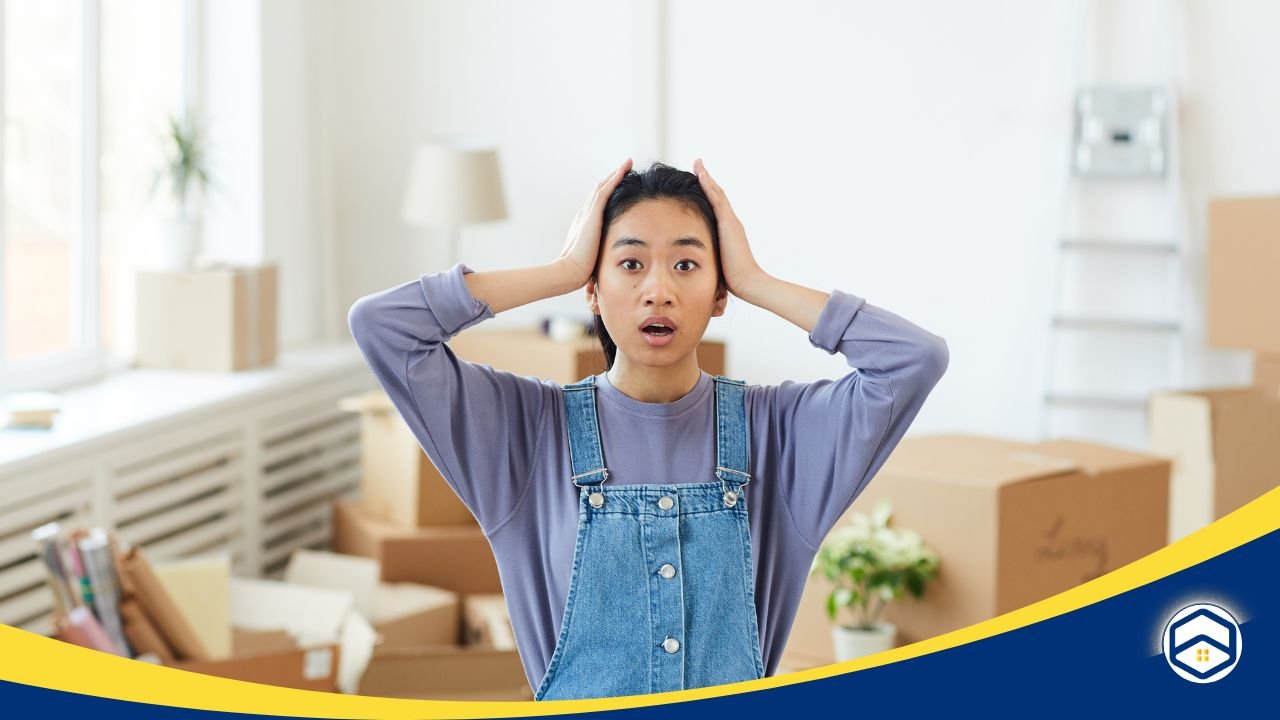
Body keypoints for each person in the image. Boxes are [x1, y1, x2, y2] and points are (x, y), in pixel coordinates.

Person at [347, 158, 949, 701]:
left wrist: (756, 281)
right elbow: (382, 327)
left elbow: (914, 359)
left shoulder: (781, 434)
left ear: (718, 293)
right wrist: (559, 270)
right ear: (594, 287)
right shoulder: (525, 433)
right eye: (629, 263)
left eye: (687, 264)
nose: (658, 290)